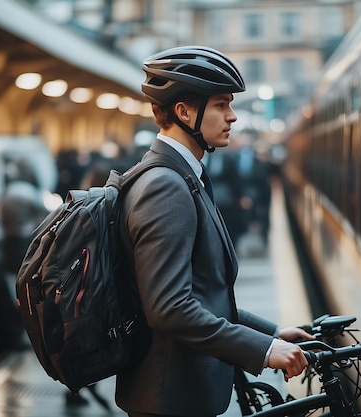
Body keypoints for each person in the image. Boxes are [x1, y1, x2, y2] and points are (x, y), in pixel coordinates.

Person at [115, 45, 314, 417]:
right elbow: (170, 308)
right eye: (222, 104)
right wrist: (264, 352)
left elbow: (206, 293)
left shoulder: (181, 174)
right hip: (170, 401)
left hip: (180, 395)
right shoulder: (165, 186)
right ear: (184, 111)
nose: (233, 116)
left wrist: (269, 333)